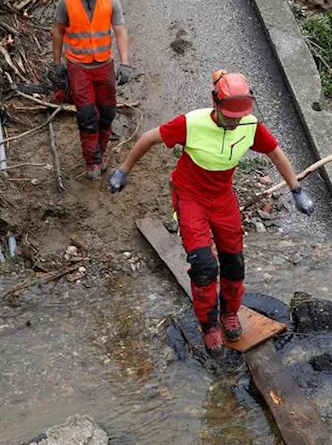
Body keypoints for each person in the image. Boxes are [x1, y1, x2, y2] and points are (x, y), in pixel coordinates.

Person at [108, 71, 316, 356]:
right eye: (229, 116)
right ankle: (209, 328)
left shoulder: (250, 126)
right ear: (214, 103)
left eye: (238, 117)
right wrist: (123, 171)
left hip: (223, 198)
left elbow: (276, 153)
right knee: (204, 265)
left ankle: (229, 313)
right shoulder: (190, 124)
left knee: (234, 261)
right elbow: (148, 138)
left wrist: (296, 191)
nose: (234, 123)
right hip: (190, 197)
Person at [52, 0, 129, 178]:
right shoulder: (66, 2)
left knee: (107, 113)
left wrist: (125, 63)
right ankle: (92, 162)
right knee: (86, 116)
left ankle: (100, 153)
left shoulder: (111, 1)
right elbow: (57, 32)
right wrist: (57, 63)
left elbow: (120, 31)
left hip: (104, 65)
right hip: (78, 66)